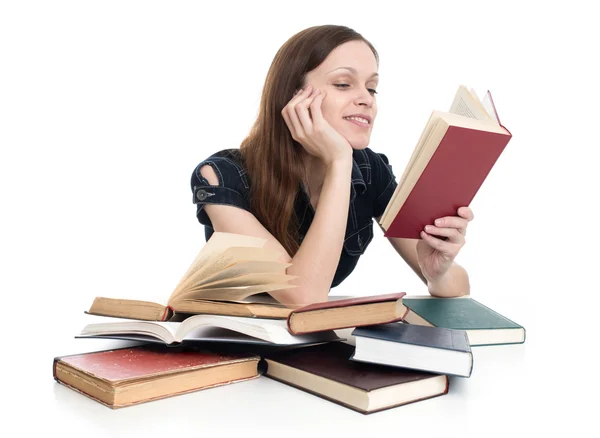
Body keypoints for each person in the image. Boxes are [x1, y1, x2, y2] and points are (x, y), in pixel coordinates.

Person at [190, 25, 473, 307]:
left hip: (316, 345)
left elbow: (459, 288)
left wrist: (438, 273)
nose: (366, 99)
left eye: (372, 88)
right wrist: (339, 160)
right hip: (232, 344)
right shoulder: (221, 177)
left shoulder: (371, 171)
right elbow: (304, 297)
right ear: (293, 96)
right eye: (343, 84)